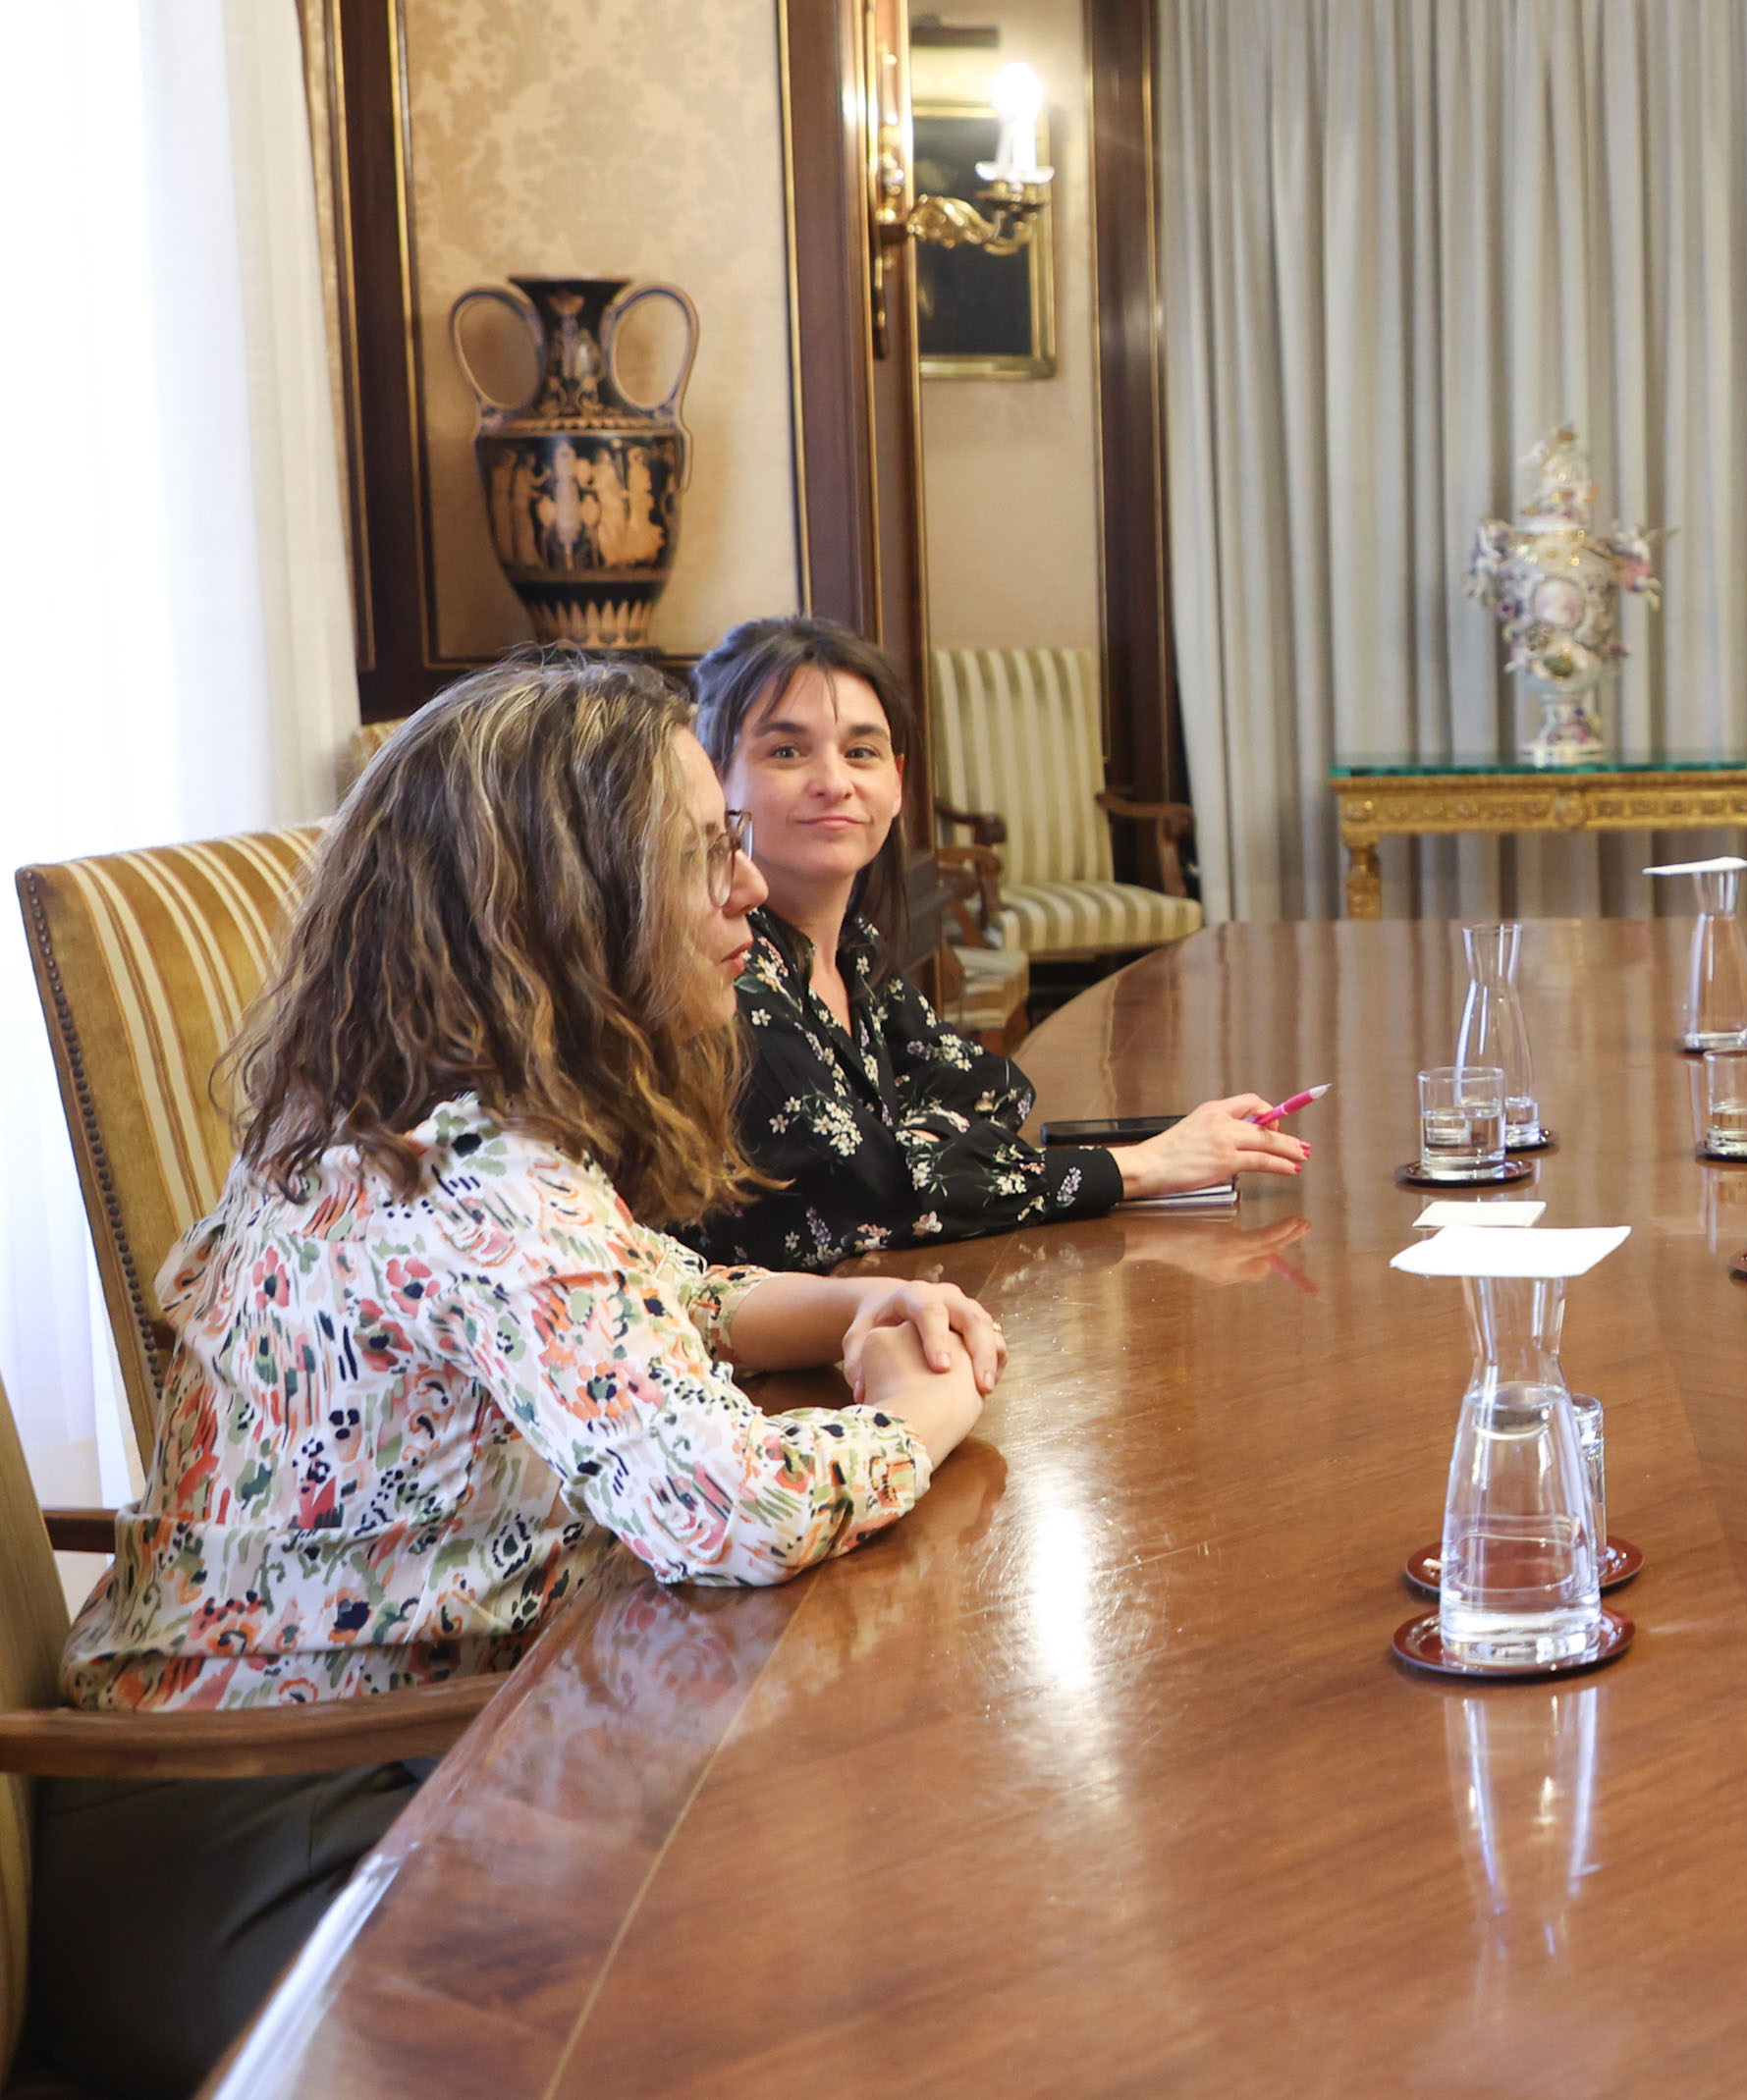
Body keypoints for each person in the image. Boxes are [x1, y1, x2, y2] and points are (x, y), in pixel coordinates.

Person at [37, 651, 1000, 2096]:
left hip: (330, 1763)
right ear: (566, 909)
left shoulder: (404, 1117)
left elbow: (627, 1294)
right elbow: (720, 1510)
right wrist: (920, 1410)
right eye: (702, 853)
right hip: (260, 1828)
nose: (747, 887)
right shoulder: (477, 1178)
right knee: (831, 1933)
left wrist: (857, 1297)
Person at [680, 617, 1305, 1271]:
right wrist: (1145, 1164)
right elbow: (886, 1193)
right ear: (715, 777)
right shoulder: (734, 975)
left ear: (897, 782)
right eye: (787, 752)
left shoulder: (852, 952)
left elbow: (994, 1089)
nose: (834, 781)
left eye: (860, 753)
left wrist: (909, 1152)